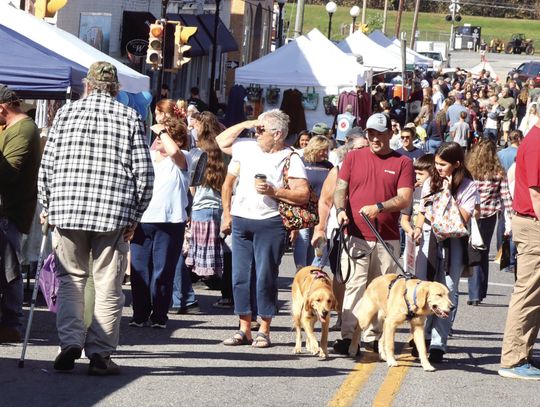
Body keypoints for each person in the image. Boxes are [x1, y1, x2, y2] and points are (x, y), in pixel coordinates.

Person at [38, 61, 154, 375]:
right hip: (112, 212)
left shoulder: (64, 113)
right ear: (116, 88)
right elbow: (143, 173)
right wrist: (135, 215)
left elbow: (47, 165)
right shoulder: (129, 116)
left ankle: (70, 342)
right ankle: (100, 355)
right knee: (107, 285)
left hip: (67, 208)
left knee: (71, 281)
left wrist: (46, 204)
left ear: (87, 85)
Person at [216, 109, 309, 348]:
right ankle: (243, 328)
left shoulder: (291, 157)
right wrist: (249, 121)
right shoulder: (246, 147)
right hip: (241, 219)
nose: (256, 133)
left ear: (277, 134)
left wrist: (274, 192)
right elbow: (221, 140)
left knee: (265, 276)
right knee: (239, 276)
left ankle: (264, 329)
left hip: (270, 222)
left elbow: (302, 195)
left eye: (261, 130)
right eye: (256, 129)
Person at [332, 112, 414, 355]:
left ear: (391, 133)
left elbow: (405, 198)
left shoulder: (403, 162)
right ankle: (349, 336)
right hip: (354, 233)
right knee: (354, 285)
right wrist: (339, 210)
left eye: (380, 133)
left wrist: (380, 207)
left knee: (381, 289)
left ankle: (372, 337)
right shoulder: (353, 157)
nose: (375, 138)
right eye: (371, 133)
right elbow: (340, 189)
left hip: (386, 237)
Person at [414, 142, 479, 363]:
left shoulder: (468, 186)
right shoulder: (430, 182)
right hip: (430, 240)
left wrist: (448, 192)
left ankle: (438, 343)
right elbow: (423, 210)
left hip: (455, 243)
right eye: (436, 164)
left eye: (442, 164)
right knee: (425, 285)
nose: (438, 168)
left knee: (448, 288)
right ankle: (421, 337)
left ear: (456, 164)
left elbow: (462, 219)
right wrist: (416, 228)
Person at [498, 121, 540, 380]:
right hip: (533, 224)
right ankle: (514, 360)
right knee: (528, 293)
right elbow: (536, 194)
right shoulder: (536, 143)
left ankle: (521, 354)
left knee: (532, 294)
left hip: (529, 223)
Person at [0, 85, 41, 343]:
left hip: (9, 211)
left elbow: (7, 173)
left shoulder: (24, 129)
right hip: (6, 209)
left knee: (8, 269)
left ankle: (11, 323)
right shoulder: (8, 127)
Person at [465, 139, 512, 306]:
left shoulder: (470, 171)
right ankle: (480, 291)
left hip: (470, 214)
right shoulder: (498, 173)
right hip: (489, 215)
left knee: (473, 250)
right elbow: (506, 198)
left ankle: (475, 292)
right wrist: (509, 222)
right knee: (482, 252)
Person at [186, 112, 227, 286]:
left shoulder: (199, 151)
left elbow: (192, 183)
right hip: (218, 202)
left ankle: (205, 276)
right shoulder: (222, 149)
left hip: (201, 203)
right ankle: (214, 275)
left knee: (201, 245)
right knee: (214, 243)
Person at [292, 135, 333, 269]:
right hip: (304, 208)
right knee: (303, 241)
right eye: (322, 150)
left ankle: (315, 270)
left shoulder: (329, 166)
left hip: (322, 210)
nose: (325, 153)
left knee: (319, 243)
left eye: (327, 150)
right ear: (314, 148)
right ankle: (301, 271)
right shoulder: (301, 163)